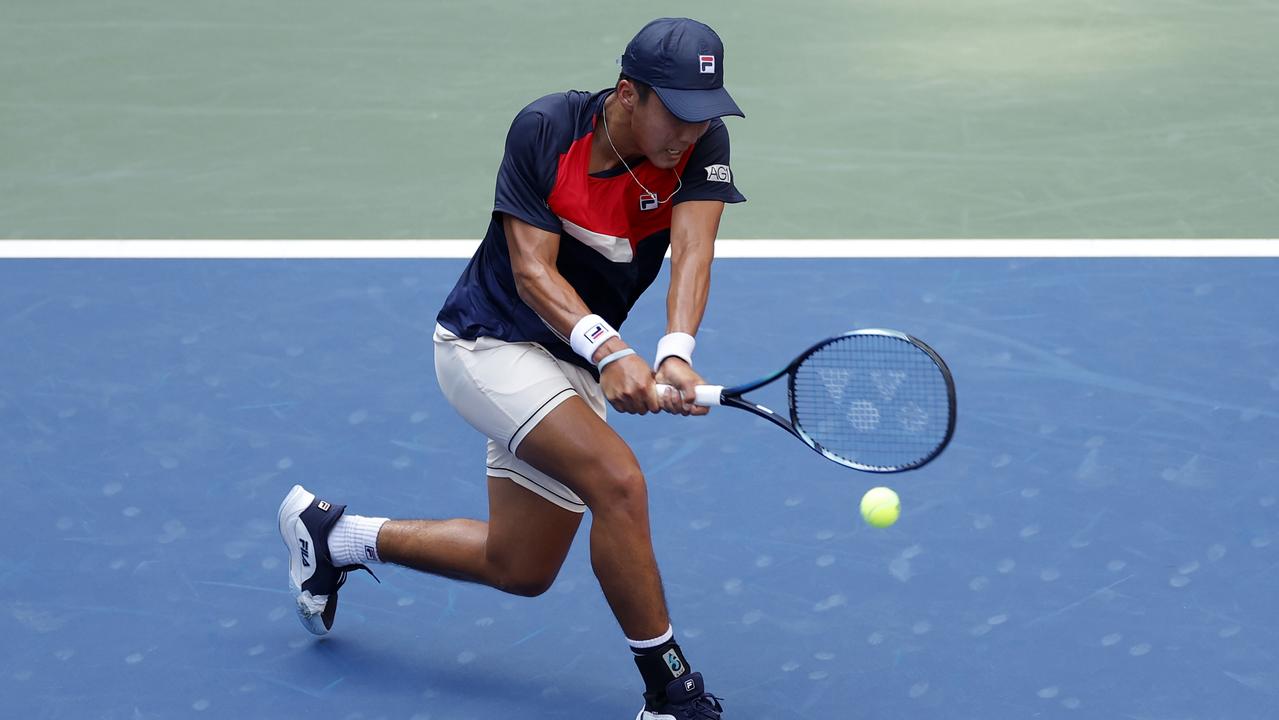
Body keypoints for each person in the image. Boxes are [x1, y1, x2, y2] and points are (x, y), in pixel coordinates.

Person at [278, 17, 745, 719]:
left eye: (702, 112)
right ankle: (668, 692)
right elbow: (531, 271)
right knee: (617, 483)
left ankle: (337, 536)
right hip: (488, 344)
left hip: (569, 366)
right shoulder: (547, 129)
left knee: (520, 567)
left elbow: (693, 249)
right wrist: (611, 350)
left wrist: (675, 349)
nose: (690, 130)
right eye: (676, 112)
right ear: (627, 93)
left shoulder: (702, 144)